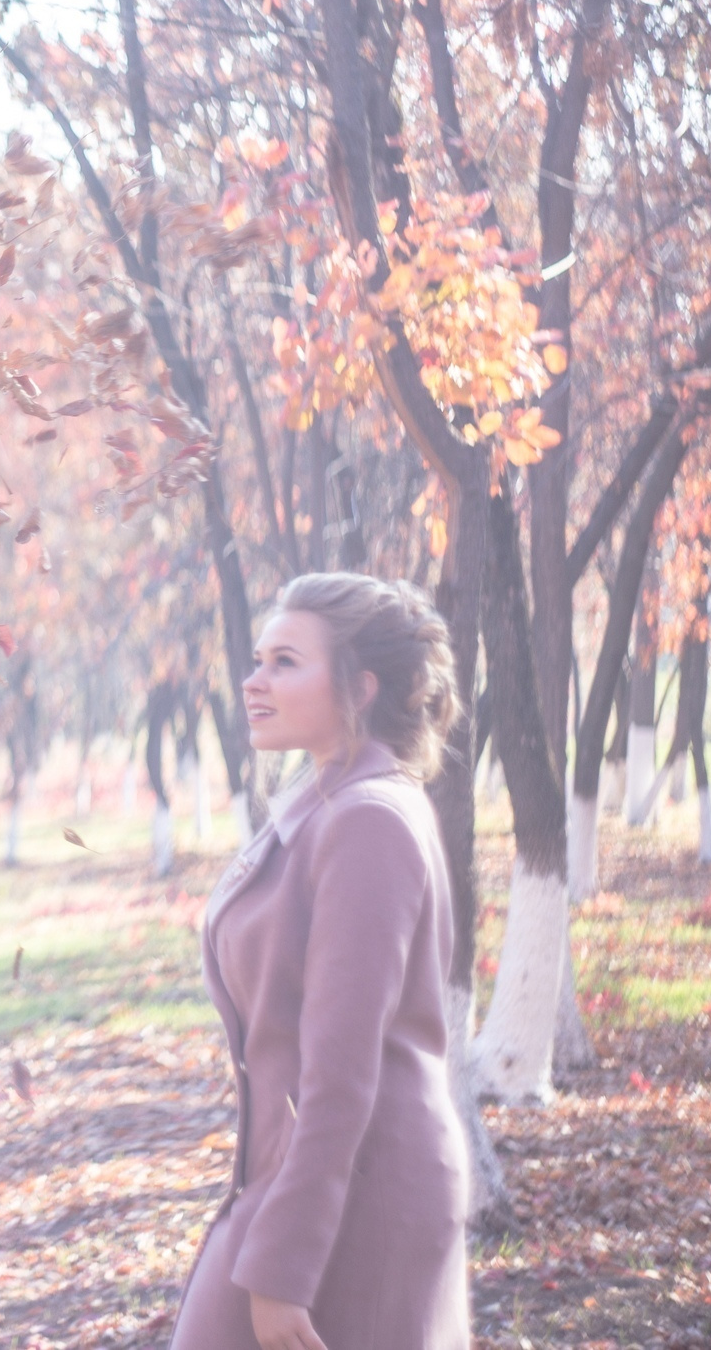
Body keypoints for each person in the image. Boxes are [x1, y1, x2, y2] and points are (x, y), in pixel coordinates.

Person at [171, 573, 471, 1350]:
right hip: (296, 1184)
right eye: (259, 658)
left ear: (359, 686)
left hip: (358, 1198)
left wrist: (282, 1270)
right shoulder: (322, 801)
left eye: (284, 662)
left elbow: (339, 1077)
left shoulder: (367, 820)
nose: (254, 679)